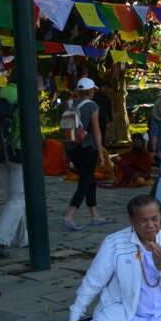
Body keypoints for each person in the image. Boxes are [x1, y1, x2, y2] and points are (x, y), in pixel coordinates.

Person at [0, 86, 26, 258]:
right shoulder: (22, 93)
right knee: (19, 198)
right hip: (16, 149)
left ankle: (23, 238)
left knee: (14, 198)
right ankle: (0, 237)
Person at [61, 78, 109, 231]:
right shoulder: (92, 105)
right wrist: (100, 152)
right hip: (86, 147)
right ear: (91, 91)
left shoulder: (69, 104)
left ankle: (94, 214)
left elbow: (64, 129)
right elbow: (96, 130)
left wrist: (65, 152)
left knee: (90, 179)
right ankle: (69, 214)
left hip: (71, 147)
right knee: (85, 181)